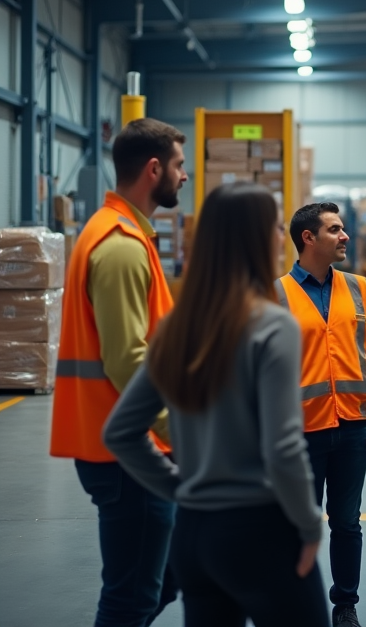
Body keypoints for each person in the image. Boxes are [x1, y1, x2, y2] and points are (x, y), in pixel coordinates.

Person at [103, 183, 329, 627]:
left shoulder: (176, 327)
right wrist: (308, 524)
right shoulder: (271, 325)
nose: (278, 235)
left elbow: (120, 432)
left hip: (193, 534)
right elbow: (283, 446)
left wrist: (178, 488)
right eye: (274, 226)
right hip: (259, 530)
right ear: (256, 238)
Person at [50, 118, 187, 627]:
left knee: (168, 575)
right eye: (178, 165)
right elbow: (127, 359)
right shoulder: (122, 245)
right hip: (129, 452)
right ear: (154, 169)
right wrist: (182, 431)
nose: (185, 177)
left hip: (127, 443)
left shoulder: (126, 233)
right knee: (130, 596)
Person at [274, 203, 366, 627]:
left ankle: (345, 604)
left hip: (355, 426)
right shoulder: (277, 293)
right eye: (335, 229)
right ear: (308, 238)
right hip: (300, 431)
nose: (344, 236)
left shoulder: (357, 287)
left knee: (346, 521)